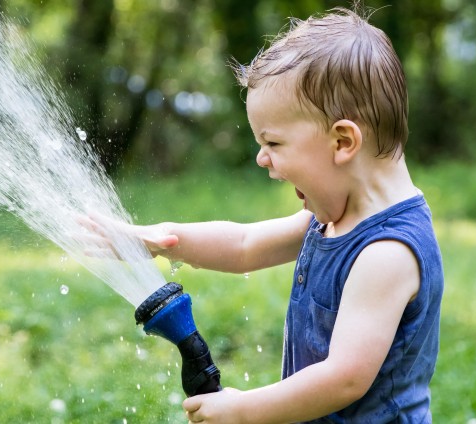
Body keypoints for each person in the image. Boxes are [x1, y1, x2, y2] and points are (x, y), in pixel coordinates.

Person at [82, 6, 443, 423]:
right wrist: (161, 239)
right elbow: (244, 245)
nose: (261, 158)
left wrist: (243, 410)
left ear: (343, 141)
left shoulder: (387, 252)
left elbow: (345, 378)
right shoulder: (333, 219)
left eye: (273, 142)